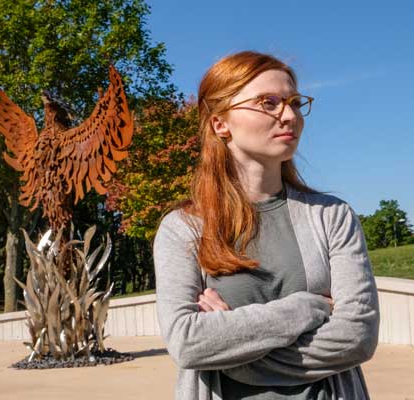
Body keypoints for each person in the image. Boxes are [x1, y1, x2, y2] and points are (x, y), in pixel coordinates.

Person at [153, 51, 380, 400]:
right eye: (268, 103)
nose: (289, 115)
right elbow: (188, 344)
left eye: (294, 102)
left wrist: (230, 351)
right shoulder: (182, 228)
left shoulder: (332, 216)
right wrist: (306, 308)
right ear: (220, 124)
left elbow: (357, 337)